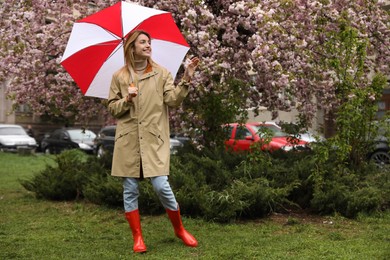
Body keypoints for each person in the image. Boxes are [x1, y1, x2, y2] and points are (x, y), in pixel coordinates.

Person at [107, 30, 199, 253]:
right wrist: (127, 100)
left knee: (161, 186)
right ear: (132, 47)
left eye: (149, 42)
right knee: (130, 189)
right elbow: (112, 108)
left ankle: (179, 229)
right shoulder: (120, 77)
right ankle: (137, 237)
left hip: (153, 139)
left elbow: (172, 100)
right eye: (143, 42)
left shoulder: (161, 73)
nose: (148, 45)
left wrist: (186, 78)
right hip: (128, 141)